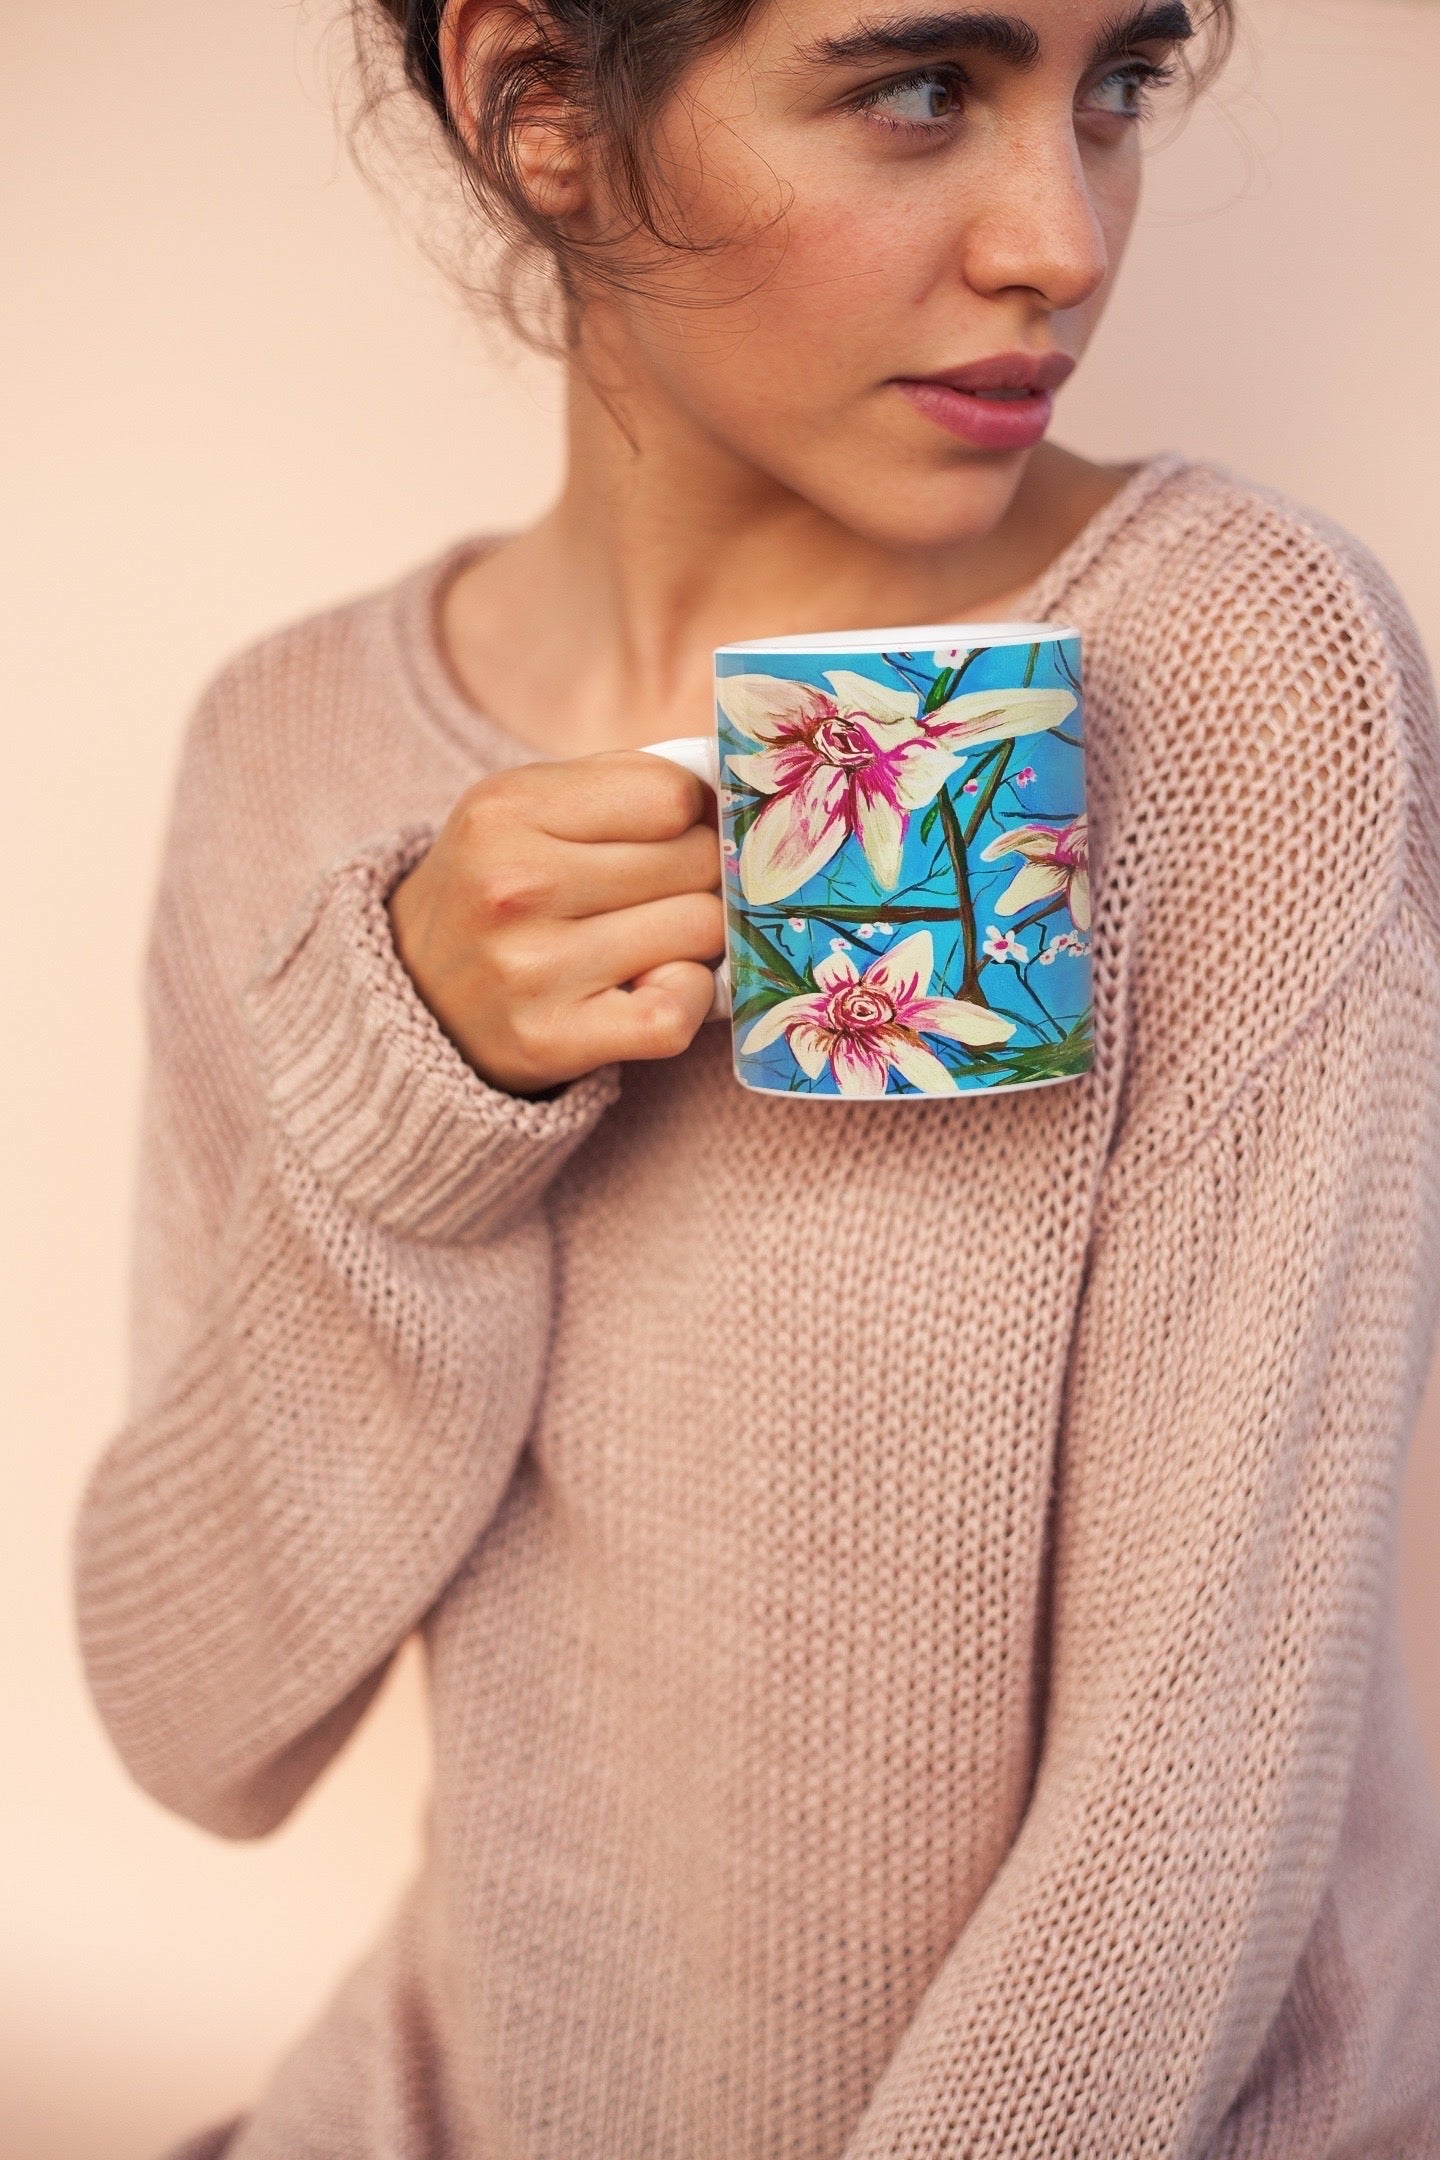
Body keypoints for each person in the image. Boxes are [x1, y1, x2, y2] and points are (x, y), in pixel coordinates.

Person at [74, 0, 1440, 2151]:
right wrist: (409, 1106)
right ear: (534, 100)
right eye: (920, 88)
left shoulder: (1233, 667)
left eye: (1121, 84)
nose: (1062, 240)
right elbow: (193, 1724)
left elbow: (1205, 1773)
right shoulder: (293, 749)